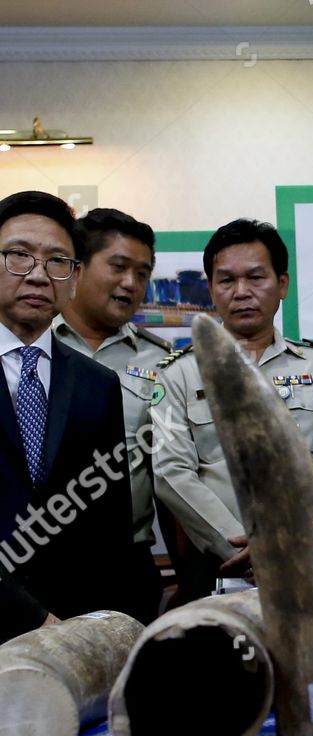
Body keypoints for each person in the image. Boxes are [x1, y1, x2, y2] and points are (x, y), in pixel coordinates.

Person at [152, 219, 313, 604]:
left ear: (282, 284)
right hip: (219, 567)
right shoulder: (178, 374)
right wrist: (237, 545)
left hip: (312, 557)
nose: (242, 292)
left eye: (256, 278)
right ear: (211, 289)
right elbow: (170, 471)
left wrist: (300, 532)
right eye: (226, 281)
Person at [0, 191, 134, 641]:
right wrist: (31, 617)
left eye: (58, 261)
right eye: (19, 256)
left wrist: (102, 629)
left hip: (72, 633)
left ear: (74, 278)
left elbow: (109, 526)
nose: (38, 275)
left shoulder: (97, 383)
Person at [52, 208, 171, 623]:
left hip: (126, 564)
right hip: (33, 556)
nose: (131, 284)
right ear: (77, 269)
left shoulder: (161, 360)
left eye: (143, 273)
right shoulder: (30, 347)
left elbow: (171, 472)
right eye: (119, 267)